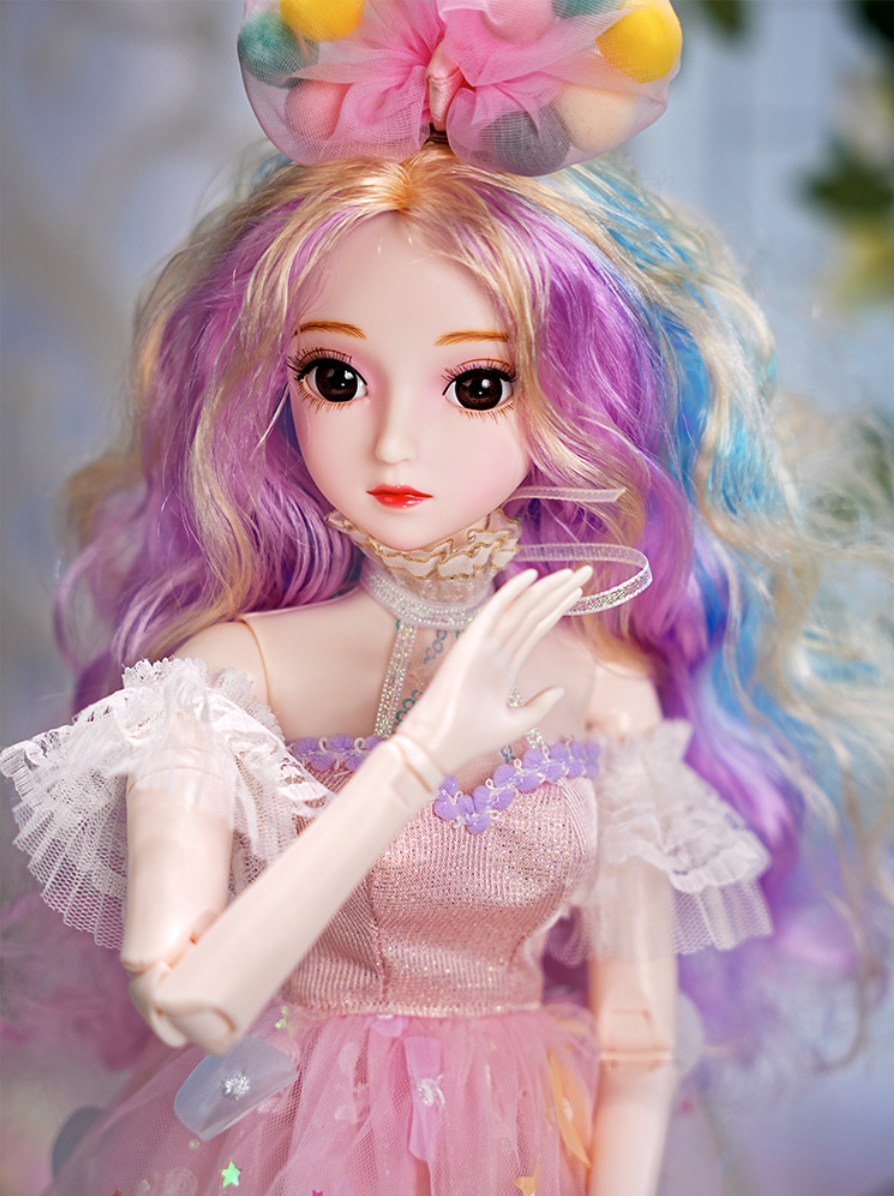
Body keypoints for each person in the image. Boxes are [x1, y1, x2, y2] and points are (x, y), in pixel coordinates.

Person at [3, 3, 891, 1194]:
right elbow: (187, 993)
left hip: (524, 1149)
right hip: (279, 1143)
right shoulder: (228, 673)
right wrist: (419, 755)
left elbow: (640, 1041)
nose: (393, 441)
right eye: (335, 376)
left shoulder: (603, 687)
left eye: (477, 384)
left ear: (574, 396)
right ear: (269, 387)